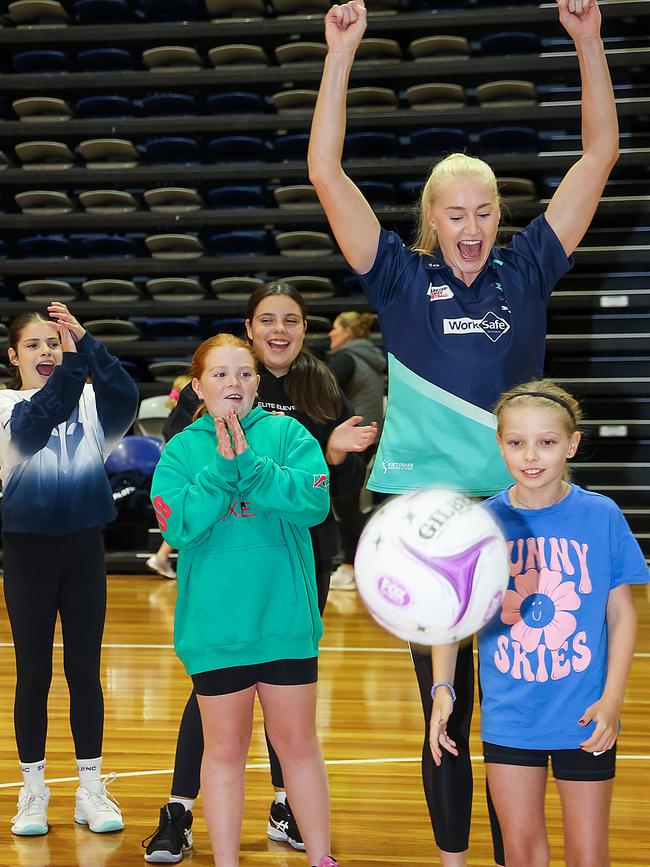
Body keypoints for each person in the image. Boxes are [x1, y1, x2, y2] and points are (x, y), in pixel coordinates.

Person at [307, 0, 619, 861]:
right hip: (430, 523)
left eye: (485, 211)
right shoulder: (398, 279)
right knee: (445, 703)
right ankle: (452, 856)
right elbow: (326, 172)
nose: (472, 227)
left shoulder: (530, 266)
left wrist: (590, 43)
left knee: (524, 699)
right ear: (430, 220)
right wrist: (341, 54)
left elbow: (599, 156)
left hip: (522, 517)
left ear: (499, 216)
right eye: (455, 213)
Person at [143, 283, 375, 863]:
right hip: (215, 630)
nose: (235, 386)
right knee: (223, 753)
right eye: (219, 376)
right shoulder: (179, 453)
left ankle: (320, 856)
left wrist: (246, 461)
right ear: (197, 386)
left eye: (244, 375)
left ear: (257, 379)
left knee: (299, 748)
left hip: (285, 623)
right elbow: (179, 528)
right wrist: (223, 471)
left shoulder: (290, 434)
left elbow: (313, 504)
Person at [430, 380, 649, 867]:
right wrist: (442, 688)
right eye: (516, 442)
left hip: (584, 715)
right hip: (511, 716)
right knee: (523, 852)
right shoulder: (481, 524)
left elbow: (621, 612)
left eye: (546, 442)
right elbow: (454, 618)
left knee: (588, 855)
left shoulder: (601, 515)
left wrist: (612, 699)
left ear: (571, 444)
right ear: (500, 444)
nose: (531, 455)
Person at [0, 304, 138, 836]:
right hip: (28, 551)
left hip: (83, 548)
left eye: (53, 344)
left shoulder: (87, 397)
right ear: (14, 356)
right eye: (34, 345)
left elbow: (124, 396)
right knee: (32, 674)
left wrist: (88, 344)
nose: (46, 353)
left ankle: (90, 786)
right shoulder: (7, 405)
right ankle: (32, 789)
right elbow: (33, 430)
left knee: (85, 672)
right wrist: (75, 365)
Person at [327, 311, 386, 589]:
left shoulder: (346, 358)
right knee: (350, 505)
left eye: (335, 328)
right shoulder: (370, 358)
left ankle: (364, 564)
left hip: (351, 438)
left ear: (348, 333)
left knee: (346, 506)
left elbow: (321, 391)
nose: (330, 334)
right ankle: (353, 566)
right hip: (367, 437)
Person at [146, 373, 192, 580]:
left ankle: (162, 557)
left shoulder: (172, 417)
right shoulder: (188, 419)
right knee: (184, 517)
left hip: (173, 472)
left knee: (182, 517)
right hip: (185, 472)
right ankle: (162, 557)